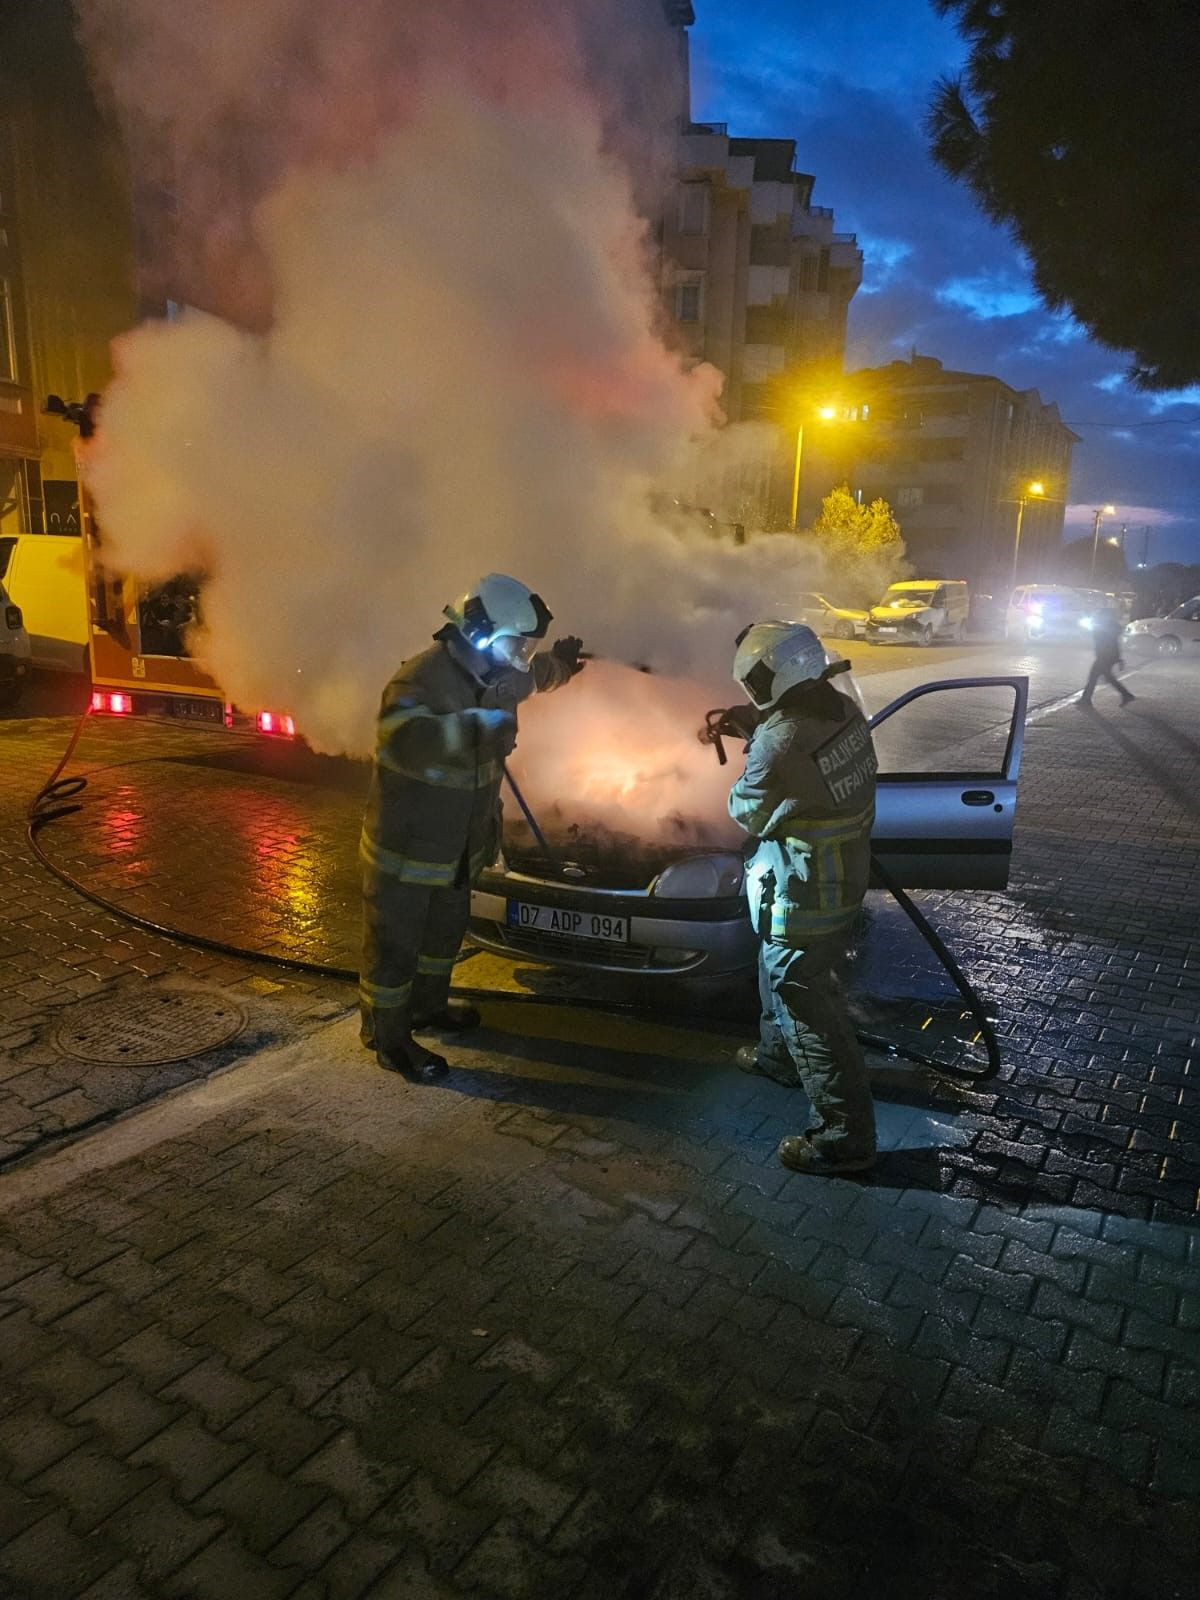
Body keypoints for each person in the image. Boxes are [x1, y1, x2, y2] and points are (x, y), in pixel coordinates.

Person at [360, 574, 584, 1082]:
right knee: (394, 948)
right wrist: (478, 727)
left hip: (458, 848)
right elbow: (404, 739)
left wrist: (562, 667)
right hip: (408, 852)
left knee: (442, 939)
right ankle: (388, 1038)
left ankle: (429, 1009)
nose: (523, 653)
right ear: (481, 631)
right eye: (518, 641)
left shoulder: (494, 671)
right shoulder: (419, 679)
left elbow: (532, 677)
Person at [727, 621, 878, 1175]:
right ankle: (777, 1058)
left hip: (804, 893)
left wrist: (757, 740)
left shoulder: (781, 738)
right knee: (776, 971)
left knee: (804, 1000)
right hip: (839, 878)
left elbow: (746, 810)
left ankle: (845, 1139)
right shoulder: (843, 709)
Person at [1079, 606, 1134, 706]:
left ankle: (1086, 699)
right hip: (1107, 655)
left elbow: (1106, 641)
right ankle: (1126, 695)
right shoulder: (1109, 625)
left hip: (1105, 656)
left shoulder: (1107, 626)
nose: (1099, 615)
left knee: (1095, 676)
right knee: (1104, 676)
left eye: (1101, 614)